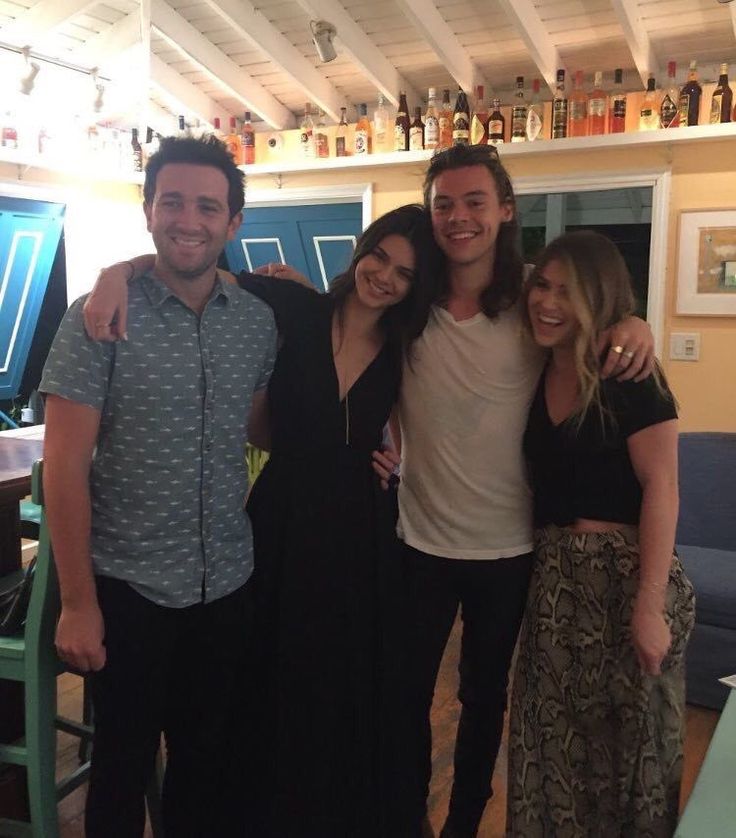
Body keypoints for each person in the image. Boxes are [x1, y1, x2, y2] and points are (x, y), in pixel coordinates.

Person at [82, 204, 441, 837]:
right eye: (378, 256)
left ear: (417, 286)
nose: (383, 276)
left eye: (404, 273)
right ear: (361, 251)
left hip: (361, 531)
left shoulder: (408, 342)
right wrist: (117, 270)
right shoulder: (294, 307)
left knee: (342, 684)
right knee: (267, 674)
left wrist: (399, 460)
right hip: (281, 519)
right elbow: (193, 268)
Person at [370, 144, 656, 838]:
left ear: (504, 210)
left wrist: (634, 323)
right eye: (444, 204)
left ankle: (465, 819)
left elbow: (596, 318)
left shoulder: (534, 302)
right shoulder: (409, 298)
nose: (458, 217)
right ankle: (406, 817)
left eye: (474, 202)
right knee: (402, 696)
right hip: (417, 538)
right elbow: (341, 313)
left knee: (483, 698)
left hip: (508, 547)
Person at [40, 135, 277, 837]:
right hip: (130, 590)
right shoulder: (98, 317)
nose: (188, 219)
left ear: (233, 224)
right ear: (147, 210)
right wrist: (78, 603)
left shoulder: (257, 322)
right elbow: (63, 466)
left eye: (208, 206)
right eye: (172, 201)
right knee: (119, 772)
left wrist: (374, 442)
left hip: (227, 585)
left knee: (206, 769)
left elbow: (266, 430)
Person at [506, 230, 695, 837]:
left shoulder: (629, 371)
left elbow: (661, 487)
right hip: (554, 583)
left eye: (569, 292)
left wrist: (649, 605)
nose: (548, 302)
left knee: (632, 757)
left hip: (625, 577)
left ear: (602, 299)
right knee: (550, 750)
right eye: (542, 285)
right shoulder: (534, 366)